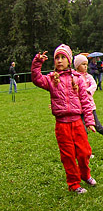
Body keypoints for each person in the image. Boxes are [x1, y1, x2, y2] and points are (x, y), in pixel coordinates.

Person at [31, 45, 97, 194]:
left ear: (69, 60)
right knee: (67, 156)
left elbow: (85, 102)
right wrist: (37, 63)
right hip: (62, 125)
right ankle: (74, 184)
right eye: (57, 58)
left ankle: (85, 175)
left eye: (63, 57)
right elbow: (36, 79)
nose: (60, 61)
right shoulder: (51, 79)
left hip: (77, 123)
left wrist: (89, 121)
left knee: (84, 152)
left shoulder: (78, 79)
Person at [74, 54, 103, 151]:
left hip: (89, 106)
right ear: (77, 66)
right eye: (82, 64)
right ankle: (85, 150)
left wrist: (86, 92)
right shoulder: (74, 77)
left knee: (97, 126)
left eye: (86, 64)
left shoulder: (88, 77)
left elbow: (94, 86)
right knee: (82, 130)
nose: (85, 66)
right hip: (78, 107)